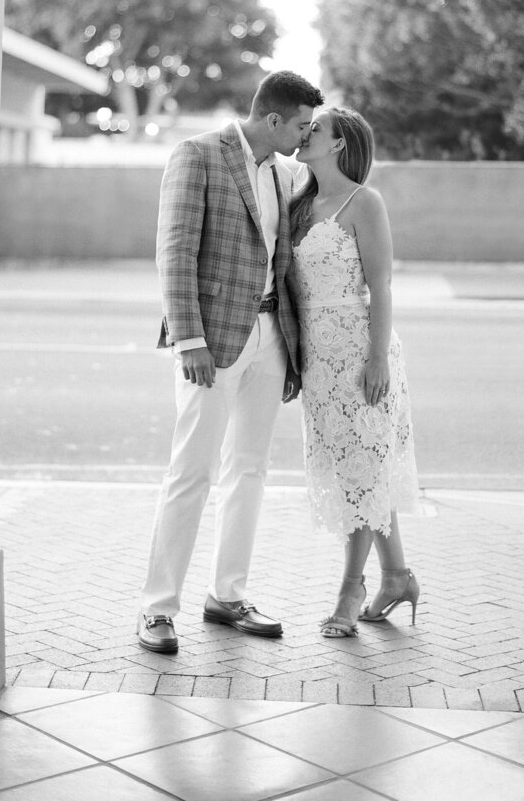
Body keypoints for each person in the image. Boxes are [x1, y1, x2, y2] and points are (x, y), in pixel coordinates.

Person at [137, 71, 324, 654]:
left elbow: (284, 260)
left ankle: (228, 595)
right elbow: (174, 252)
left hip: (271, 336)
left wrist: (292, 347)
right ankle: (157, 608)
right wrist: (188, 339)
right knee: (191, 472)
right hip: (212, 339)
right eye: (301, 125)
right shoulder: (196, 155)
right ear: (273, 119)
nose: (306, 135)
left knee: (249, 469)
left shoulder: (284, 173)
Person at [289, 106, 420, 637]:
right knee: (359, 471)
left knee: (363, 469)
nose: (304, 134)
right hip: (318, 362)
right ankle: (398, 578)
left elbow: (380, 287)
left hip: (361, 351)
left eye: (315, 128)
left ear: (339, 143)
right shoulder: (298, 204)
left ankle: (350, 591)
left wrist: (376, 358)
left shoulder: (364, 202)